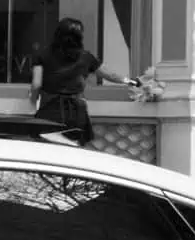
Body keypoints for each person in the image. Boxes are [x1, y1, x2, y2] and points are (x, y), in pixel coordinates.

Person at [29, 17, 139, 146]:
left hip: (50, 110)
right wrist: (132, 82)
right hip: (77, 112)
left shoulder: (43, 55)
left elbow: (36, 84)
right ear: (79, 37)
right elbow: (110, 75)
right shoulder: (86, 57)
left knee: (49, 151)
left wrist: (32, 104)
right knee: (74, 151)